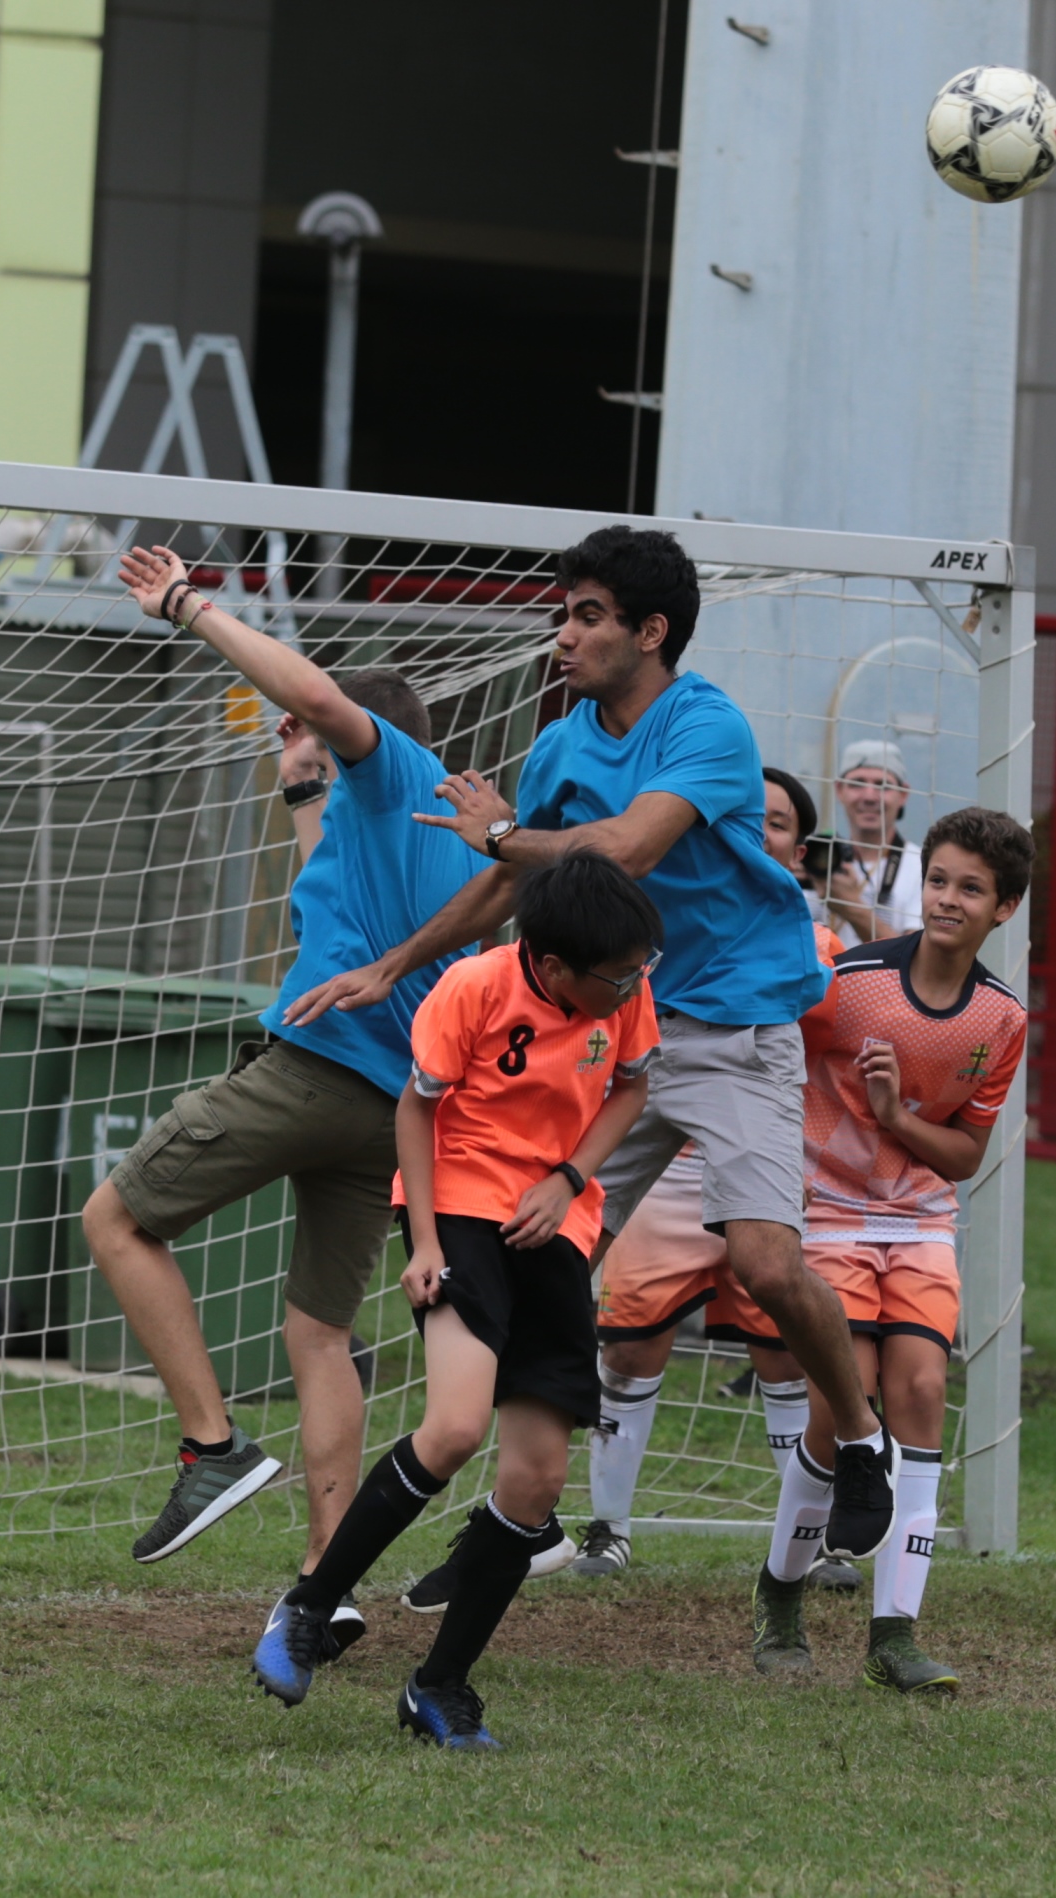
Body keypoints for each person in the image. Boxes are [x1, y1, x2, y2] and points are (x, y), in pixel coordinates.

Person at [283, 525, 900, 1566]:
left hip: (738, 1021)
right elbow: (513, 876)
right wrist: (395, 965)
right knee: (539, 1255)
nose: (561, 636)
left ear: (650, 632)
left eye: (586, 616)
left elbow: (625, 849)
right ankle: (518, 1512)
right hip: (619, 1033)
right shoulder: (563, 743)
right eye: (562, 614)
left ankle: (861, 1438)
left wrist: (497, 832)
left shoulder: (707, 723)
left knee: (763, 1262)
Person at [81, 546, 485, 1653]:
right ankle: (325, 1582)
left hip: (315, 1074)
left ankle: (211, 1446)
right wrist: (303, 781)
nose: (296, 733)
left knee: (115, 1219)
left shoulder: (393, 767)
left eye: (314, 734)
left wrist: (189, 606)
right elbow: (333, 877)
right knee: (321, 1333)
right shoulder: (431, 837)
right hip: (388, 1114)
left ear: (364, 735)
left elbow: (315, 694)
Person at [251, 852, 661, 1749]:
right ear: (551, 966)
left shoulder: (620, 988)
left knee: (537, 1480)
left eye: (642, 969)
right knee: (454, 1428)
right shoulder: (473, 988)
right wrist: (428, 1241)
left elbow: (632, 1085)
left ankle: (439, 1686)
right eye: (621, 975)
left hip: (556, 1223)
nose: (636, 985)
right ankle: (308, 1606)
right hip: (464, 1206)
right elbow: (416, 1109)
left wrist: (569, 1177)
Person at [751, 806, 1032, 1694]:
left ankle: (894, 1635)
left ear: (1004, 908)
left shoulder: (1002, 1018)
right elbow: (770, 1063)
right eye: (939, 879)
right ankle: (781, 1597)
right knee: (838, 1408)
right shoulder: (849, 981)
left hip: (918, 1222)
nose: (948, 899)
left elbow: (965, 1156)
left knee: (921, 1393)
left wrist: (895, 1116)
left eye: (971, 889)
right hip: (828, 1214)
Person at [564, 767, 856, 1586]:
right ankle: (606, 1528)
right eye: (741, 818)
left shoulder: (814, 944)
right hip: (664, 1180)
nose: (754, 833)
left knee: (782, 1353)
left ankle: (813, 1534)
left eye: (775, 824)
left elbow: (830, 1055)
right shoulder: (651, 931)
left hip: (760, 1174)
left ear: (798, 852)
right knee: (630, 1347)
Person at [815, 740, 924, 948]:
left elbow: (916, 958)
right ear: (839, 790)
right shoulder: (816, 860)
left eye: (883, 785)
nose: (869, 796)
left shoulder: (922, 867)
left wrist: (850, 905)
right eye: (857, 783)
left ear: (903, 795)